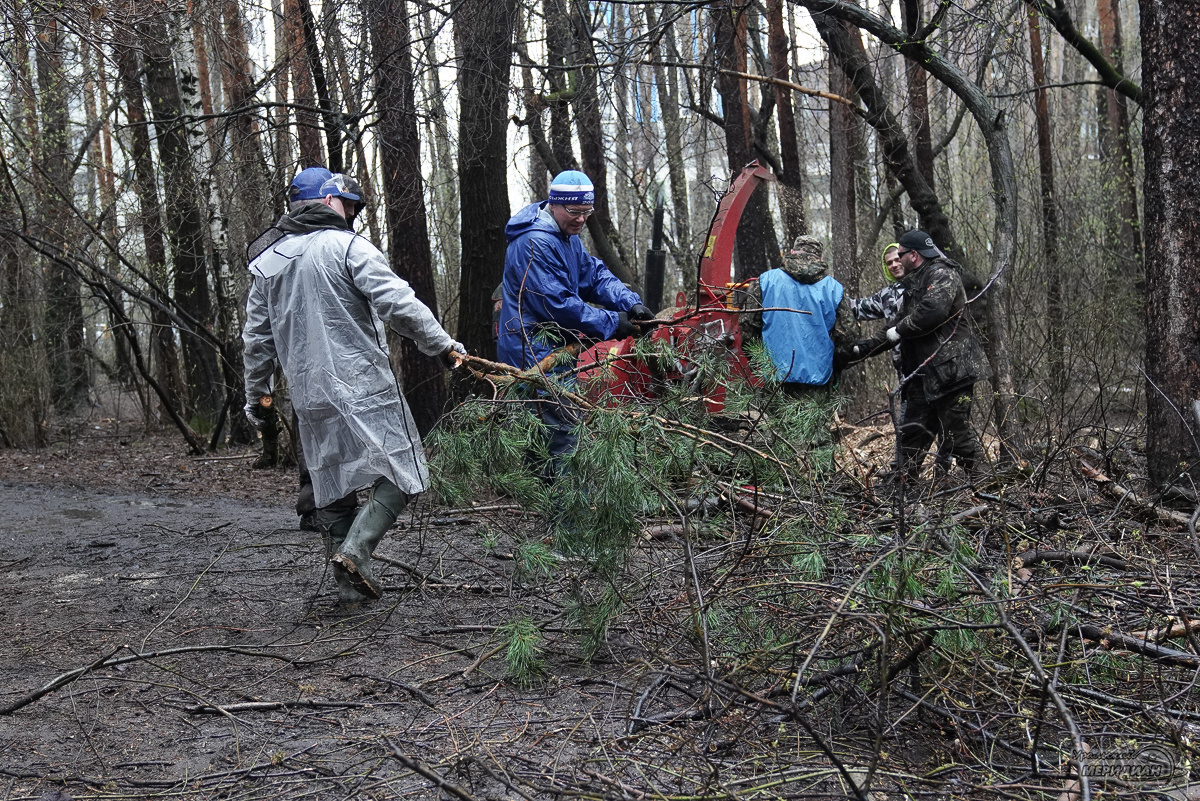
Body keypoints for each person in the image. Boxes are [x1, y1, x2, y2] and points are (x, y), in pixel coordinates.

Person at [242, 166, 465, 606]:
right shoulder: (348, 247)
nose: (353, 216)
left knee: (331, 486)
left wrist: (257, 395)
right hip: (363, 384)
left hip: (309, 396)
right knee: (408, 470)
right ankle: (356, 550)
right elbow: (398, 303)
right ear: (329, 201)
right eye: (350, 206)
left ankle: (349, 590)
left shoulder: (269, 264)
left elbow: (256, 339)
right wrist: (443, 346)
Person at [497, 170, 652, 476]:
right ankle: (565, 519)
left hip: (552, 350)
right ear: (554, 205)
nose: (581, 220)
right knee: (561, 439)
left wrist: (629, 303)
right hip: (533, 351)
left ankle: (553, 510)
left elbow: (593, 276)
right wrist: (613, 323)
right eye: (575, 212)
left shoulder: (566, 238)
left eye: (586, 212)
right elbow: (557, 305)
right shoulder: (535, 242)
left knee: (553, 438)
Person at [852, 230, 991, 485]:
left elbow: (932, 311)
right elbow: (895, 325)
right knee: (912, 435)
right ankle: (900, 492)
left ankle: (988, 491)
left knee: (957, 435)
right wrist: (863, 349)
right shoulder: (915, 282)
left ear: (913, 255)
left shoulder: (941, 273)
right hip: (922, 376)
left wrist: (899, 331)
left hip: (952, 373)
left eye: (901, 255)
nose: (897, 260)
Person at [741, 235, 858, 397]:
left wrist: (759, 364)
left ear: (792, 252)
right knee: (814, 423)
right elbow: (848, 337)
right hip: (818, 382)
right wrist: (835, 367)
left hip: (775, 379)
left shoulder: (765, 281)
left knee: (775, 423)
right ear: (821, 257)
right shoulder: (834, 289)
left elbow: (747, 328)